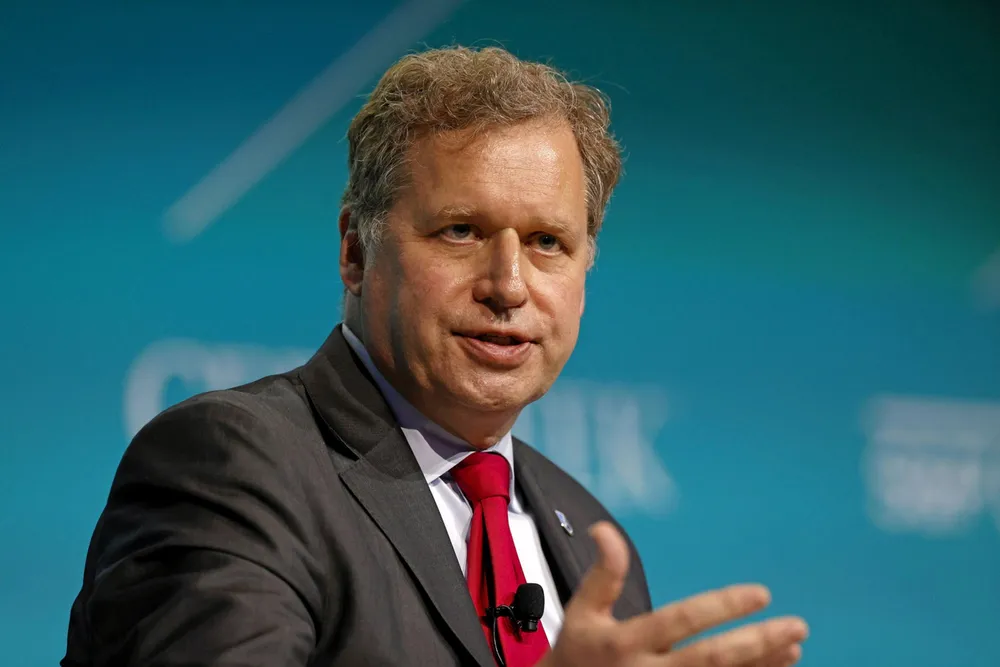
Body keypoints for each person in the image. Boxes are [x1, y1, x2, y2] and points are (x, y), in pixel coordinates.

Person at [62, 45, 808, 667]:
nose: (508, 285)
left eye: (548, 242)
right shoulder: (233, 466)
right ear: (356, 252)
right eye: (460, 231)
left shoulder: (592, 541)